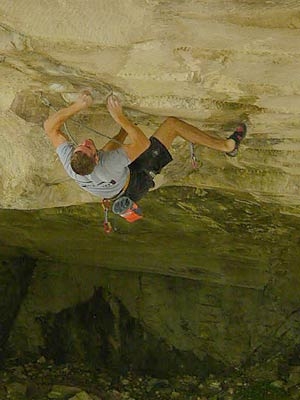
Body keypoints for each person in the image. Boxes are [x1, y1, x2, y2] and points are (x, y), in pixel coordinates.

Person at [43, 91, 246, 203]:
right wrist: (119, 117)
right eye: (89, 148)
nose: (85, 142)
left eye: (81, 147)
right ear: (95, 159)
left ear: (73, 155)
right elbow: (143, 144)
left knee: (110, 147)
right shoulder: (108, 163)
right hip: (134, 183)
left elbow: (50, 127)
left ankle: (126, 129)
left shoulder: (73, 163)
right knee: (172, 125)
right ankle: (227, 147)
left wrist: (77, 106)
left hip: (110, 185)